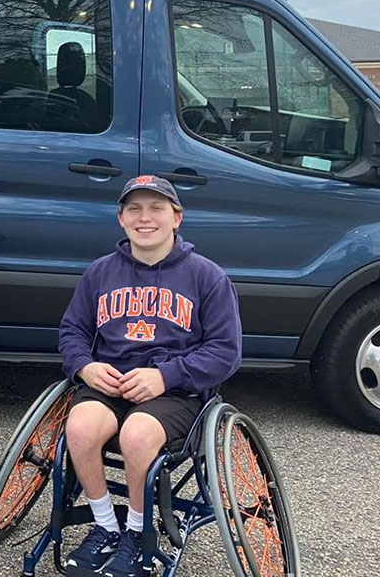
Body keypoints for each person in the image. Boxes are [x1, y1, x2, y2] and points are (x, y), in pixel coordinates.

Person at [58, 175, 241, 577]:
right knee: (82, 427)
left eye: (157, 208)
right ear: (120, 219)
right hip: (111, 381)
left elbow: (226, 352)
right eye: (135, 209)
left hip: (175, 390)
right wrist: (85, 367)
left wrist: (166, 375)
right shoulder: (100, 273)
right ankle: (106, 524)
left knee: (137, 435)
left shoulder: (207, 277)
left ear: (177, 218)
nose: (146, 218)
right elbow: (72, 331)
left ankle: (139, 533)